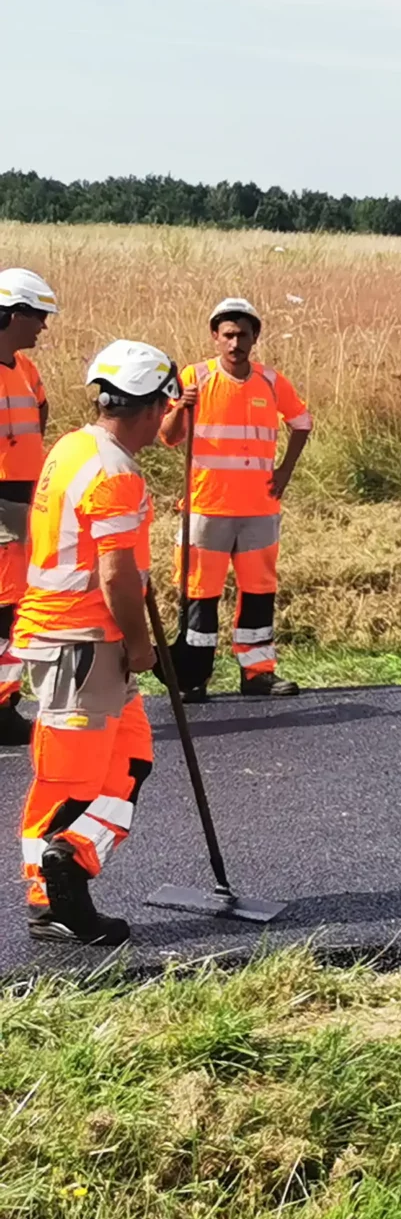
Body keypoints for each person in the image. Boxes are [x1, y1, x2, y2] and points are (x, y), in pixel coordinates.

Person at [15, 340, 180, 946]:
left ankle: (72, 855)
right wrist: (141, 648)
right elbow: (114, 576)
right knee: (68, 781)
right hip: (81, 644)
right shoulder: (114, 472)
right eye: (164, 408)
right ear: (152, 407)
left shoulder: (73, 447)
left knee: (131, 761)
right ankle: (52, 900)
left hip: (86, 641)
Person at [159, 299, 313, 699]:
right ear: (215, 336)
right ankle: (193, 677)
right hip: (206, 509)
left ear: (254, 337)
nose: (235, 343)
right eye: (228, 335)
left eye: (243, 335)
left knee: (259, 593)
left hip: (259, 510)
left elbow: (302, 423)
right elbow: (169, 437)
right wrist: (180, 408)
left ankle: (257, 672)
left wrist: (285, 470)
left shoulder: (271, 382)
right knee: (199, 596)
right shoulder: (195, 377)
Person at [0, 268, 59, 745]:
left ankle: (6, 701)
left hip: (24, 498)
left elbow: (40, 409)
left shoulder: (25, 368)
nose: (43, 325)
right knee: (3, 608)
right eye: (37, 315)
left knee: (14, 604)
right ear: (11, 314)